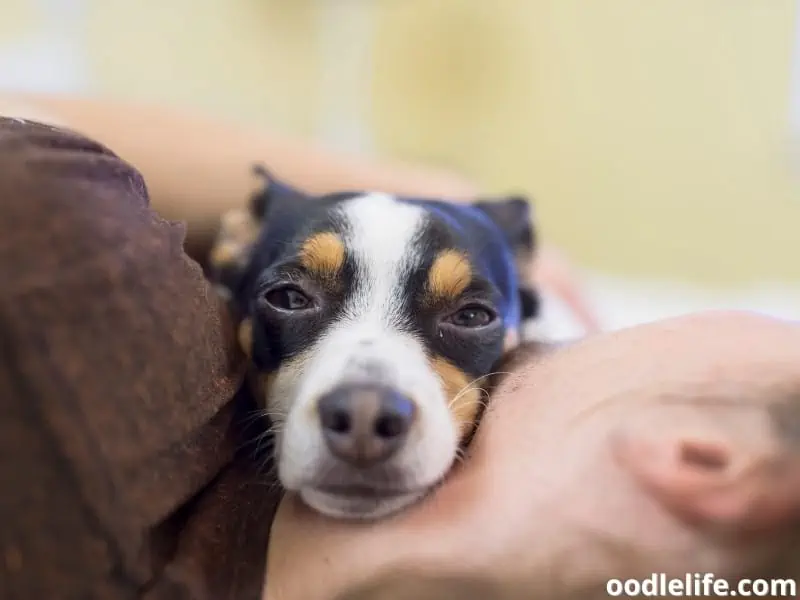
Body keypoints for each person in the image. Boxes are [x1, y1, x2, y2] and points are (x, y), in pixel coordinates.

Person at [0, 101, 798, 600]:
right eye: (292, 298)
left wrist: (394, 183)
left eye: (471, 312)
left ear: (704, 458)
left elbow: (28, 118)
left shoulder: (61, 285)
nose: (367, 394)